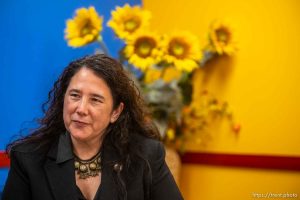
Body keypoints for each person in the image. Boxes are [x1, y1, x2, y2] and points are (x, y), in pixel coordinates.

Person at [2, 54, 184, 200]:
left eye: (95, 100)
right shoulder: (29, 158)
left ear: (116, 111)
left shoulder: (145, 155)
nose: (81, 109)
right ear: (63, 100)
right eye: (74, 95)